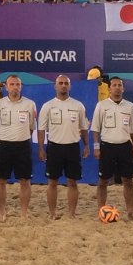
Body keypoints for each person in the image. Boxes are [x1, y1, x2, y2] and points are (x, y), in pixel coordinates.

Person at [37, 75, 90, 219]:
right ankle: (52, 214)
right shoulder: (47, 106)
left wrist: (86, 145)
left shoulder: (78, 105)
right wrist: (41, 148)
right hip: (54, 148)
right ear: (55, 86)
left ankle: (71, 214)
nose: (63, 85)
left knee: (72, 182)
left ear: (70, 86)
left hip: (72, 147)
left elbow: (84, 128)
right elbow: (41, 129)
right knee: (52, 182)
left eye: (66, 83)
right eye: (60, 83)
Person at [91, 76, 133, 220]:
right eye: (114, 85)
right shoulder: (102, 105)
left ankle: (130, 212)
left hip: (125, 146)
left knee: (128, 180)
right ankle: (101, 211)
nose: (117, 87)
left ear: (123, 88)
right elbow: (95, 129)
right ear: (109, 88)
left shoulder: (129, 106)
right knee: (103, 181)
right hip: (107, 147)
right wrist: (97, 147)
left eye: (120, 85)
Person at [0, 74, 36, 221]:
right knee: (0, 180)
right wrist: (7, 137)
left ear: (21, 86)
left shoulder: (30, 104)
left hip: (23, 145)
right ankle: (2, 211)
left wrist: (19, 137)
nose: (15, 87)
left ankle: (24, 212)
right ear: (6, 86)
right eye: (12, 84)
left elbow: (31, 127)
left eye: (17, 84)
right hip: (4, 145)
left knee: (25, 180)